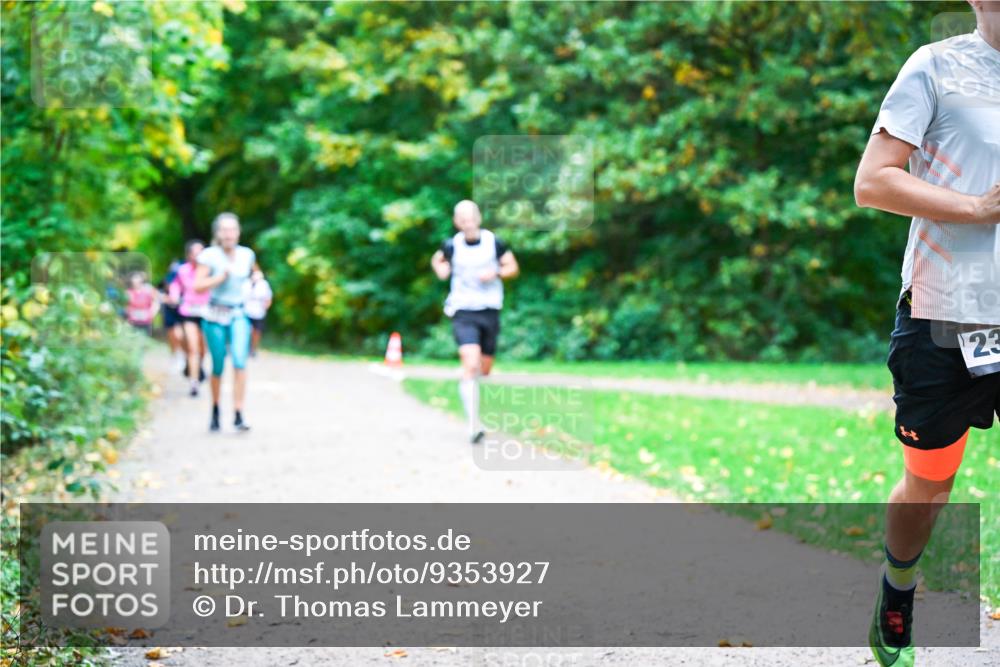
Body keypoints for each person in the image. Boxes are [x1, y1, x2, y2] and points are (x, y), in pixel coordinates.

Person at [854, 3, 999, 665]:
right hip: (946, 317)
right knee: (930, 482)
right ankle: (898, 591)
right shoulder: (936, 67)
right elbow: (873, 182)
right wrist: (976, 208)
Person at [431, 200, 519, 443]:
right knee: (471, 364)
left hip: (489, 309)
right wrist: (442, 271)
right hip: (463, 310)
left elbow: (512, 267)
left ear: (478, 218)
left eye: (471, 217)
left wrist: (497, 273)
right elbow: (437, 260)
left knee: (485, 369)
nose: (467, 222)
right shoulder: (451, 245)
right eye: (462, 218)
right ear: (456, 222)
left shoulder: (495, 242)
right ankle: (473, 425)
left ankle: (479, 409)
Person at [194, 213, 256, 433]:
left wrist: (257, 282)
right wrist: (219, 278)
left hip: (239, 313)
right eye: (224, 230)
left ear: (238, 232)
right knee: (218, 365)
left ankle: (239, 413)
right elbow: (197, 286)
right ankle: (215, 409)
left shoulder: (246, 254)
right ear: (218, 233)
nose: (229, 234)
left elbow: (255, 273)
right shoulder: (208, 256)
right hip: (215, 315)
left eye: (233, 229)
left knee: (240, 361)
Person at [169, 239, 210, 397]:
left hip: (206, 313)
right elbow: (175, 285)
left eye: (201, 252)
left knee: (203, 349)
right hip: (188, 312)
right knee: (192, 347)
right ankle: (194, 382)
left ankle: (196, 367)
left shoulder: (209, 269)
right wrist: (173, 295)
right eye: (195, 252)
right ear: (189, 255)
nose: (198, 256)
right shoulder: (182, 270)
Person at [158, 259, 185, 370]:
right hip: (169, 311)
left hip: (181, 311)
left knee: (180, 335)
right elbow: (158, 293)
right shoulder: (166, 279)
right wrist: (167, 299)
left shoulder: (185, 280)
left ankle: (181, 355)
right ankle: (175, 356)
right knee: (172, 335)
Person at [243, 264, 273, 357]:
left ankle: (253, 348)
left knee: (257, 331)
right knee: (246, 330)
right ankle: (245, 348)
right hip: (246, 311)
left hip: (259, 312)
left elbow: (268, 298)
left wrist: (265, 307)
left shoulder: (264, 284)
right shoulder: (246, 283)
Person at [125, 271, 160, 336]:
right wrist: (127, 316)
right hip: (133, 322)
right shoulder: (128, 293)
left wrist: (152, 314)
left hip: (146, 322)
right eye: (134, 279)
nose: (136, 281)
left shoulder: (148, 290)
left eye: (137, 279)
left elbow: (156, 302)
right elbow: (126, 306)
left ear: (141, 280)